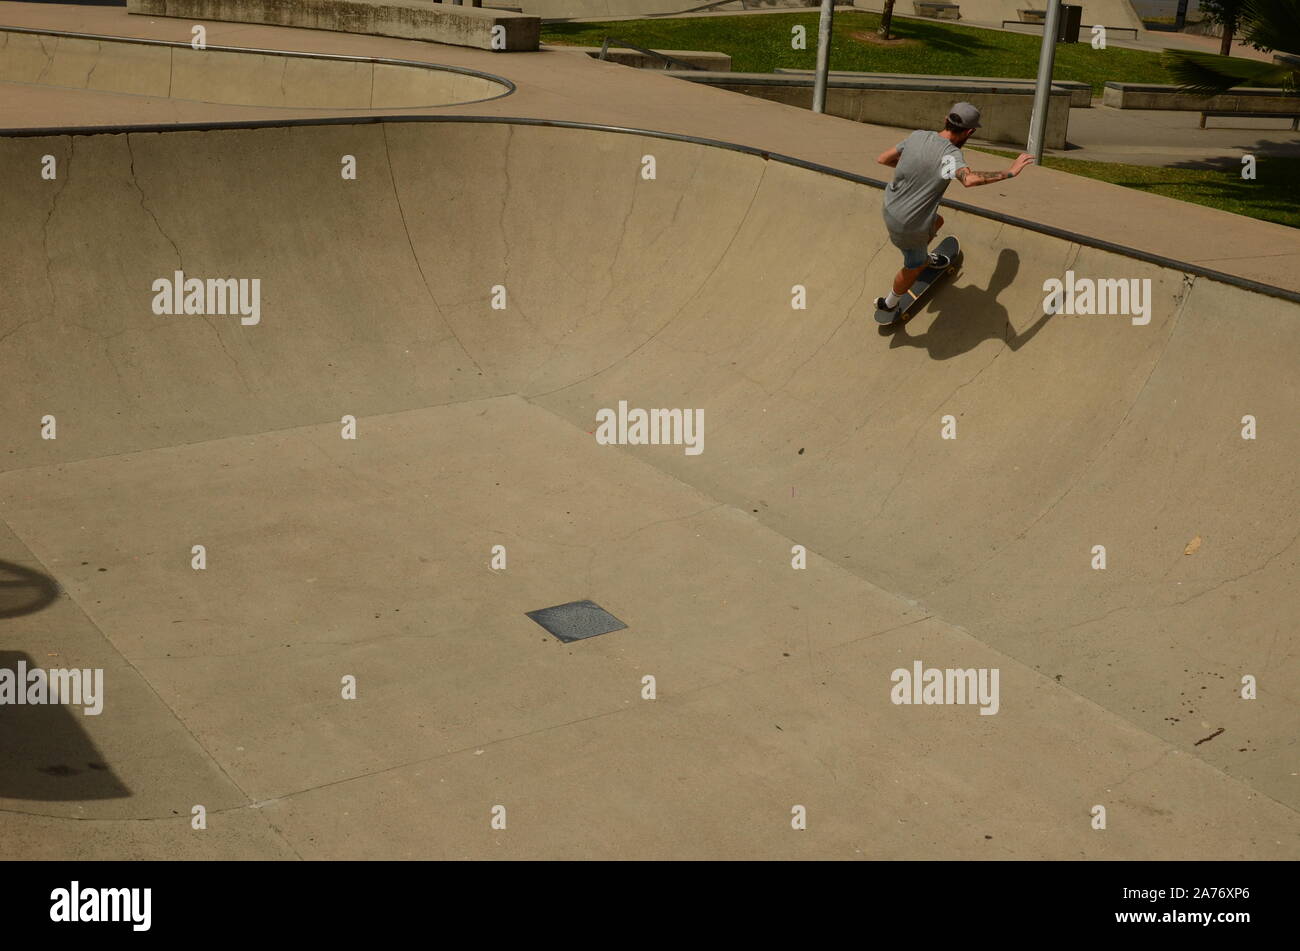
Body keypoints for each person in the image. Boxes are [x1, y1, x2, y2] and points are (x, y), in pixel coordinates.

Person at [874, 102, 1035, 321]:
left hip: (890, 206)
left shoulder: (917, 137)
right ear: (969, 132)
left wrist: (921, 173)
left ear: (946, 120)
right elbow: (968, 180)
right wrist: (1009, 172)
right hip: (908, 225)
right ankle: (889, 304)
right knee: (913, 265)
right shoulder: (950, 156)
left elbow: (883, 159)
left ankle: (925, 257)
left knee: (937, 221)